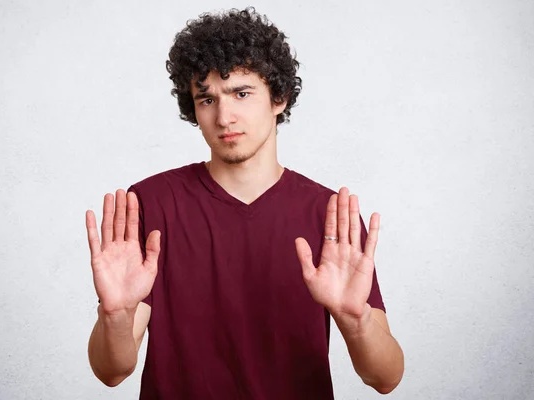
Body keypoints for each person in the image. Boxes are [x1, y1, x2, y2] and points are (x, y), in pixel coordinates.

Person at [85, 7, 404, 399]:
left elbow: (385, 378)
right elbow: (112, 371)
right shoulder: (150, 205)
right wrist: (116, 316)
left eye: (241, 92)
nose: (224, 116)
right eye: (206, 99)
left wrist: (356, 322)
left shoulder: (328, 215)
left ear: (279, 97)